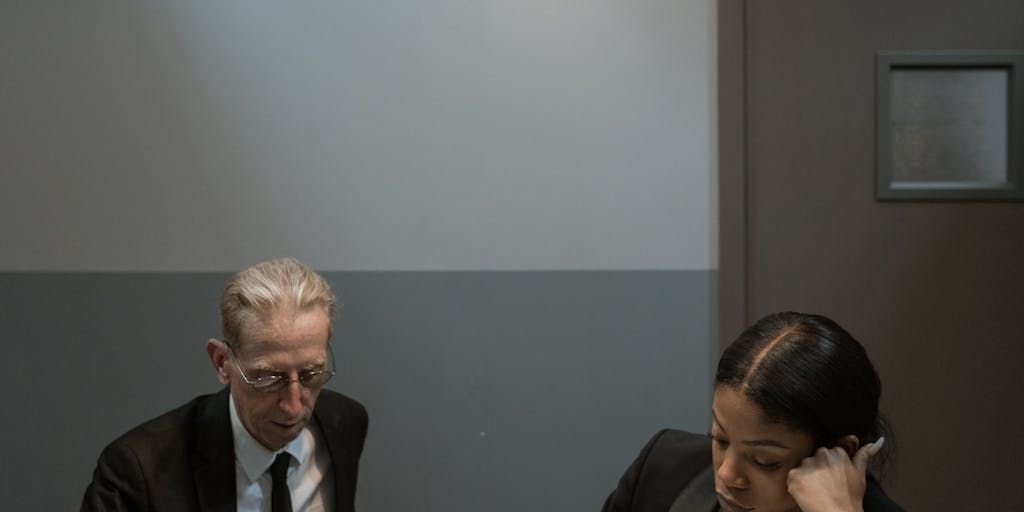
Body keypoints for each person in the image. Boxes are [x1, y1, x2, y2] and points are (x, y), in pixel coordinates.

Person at [82, 257, 368, 512]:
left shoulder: (344, 425)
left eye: (310, 373)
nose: (293, 406)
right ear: (222, 362)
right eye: (267, 378)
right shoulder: (139, 471)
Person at [602, 312, 904, 512]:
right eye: (720, 439)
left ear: (839, 451)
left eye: (765, 461)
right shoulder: (662, 471)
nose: (726, 474)